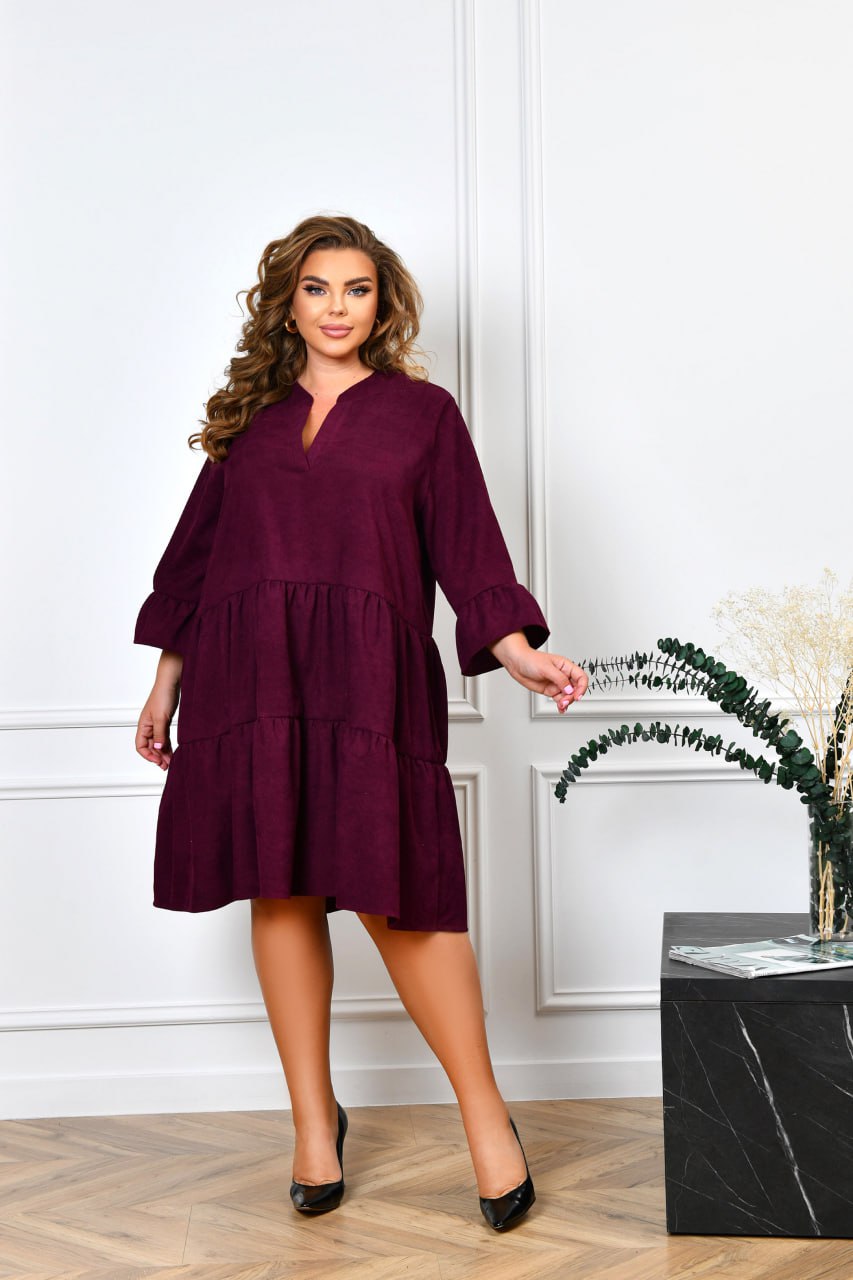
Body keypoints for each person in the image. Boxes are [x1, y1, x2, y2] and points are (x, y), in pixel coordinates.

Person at [133, 213, 588, 1232]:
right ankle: (311, 1123)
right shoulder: (249, 422)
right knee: (280, 887)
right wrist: (166, 684)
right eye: (316, 288)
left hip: (368, 681)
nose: (336, 307)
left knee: (405, 901)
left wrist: (517, 649)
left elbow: (468, 546)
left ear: (382, 306)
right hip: (250, 677)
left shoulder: (422, 416)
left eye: (356, 289)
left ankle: (486, 1122)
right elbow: (196, 566)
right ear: (287, 304)